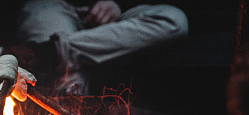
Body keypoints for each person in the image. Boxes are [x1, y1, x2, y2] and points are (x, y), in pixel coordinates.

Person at [16, 0, 189, 96]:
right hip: (55, 6)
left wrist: (117, 4)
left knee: (174, 21)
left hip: (118, 16)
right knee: (69, 83)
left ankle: (54, 51)